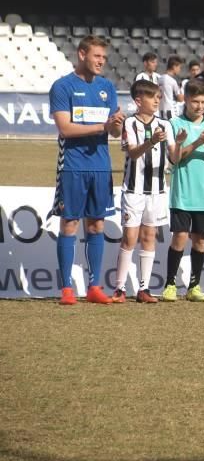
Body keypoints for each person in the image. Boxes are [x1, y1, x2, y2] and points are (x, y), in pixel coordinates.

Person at [50, 35, 125, 305]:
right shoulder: (62, 87)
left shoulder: (107, 87)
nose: (101, 62)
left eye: (104, 58)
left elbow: (115, 132)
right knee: (69, 223)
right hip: (73, 166)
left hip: (101, 167)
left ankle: (94, 287)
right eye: (97, 56)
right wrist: (103, 126)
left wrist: (116, 124)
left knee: (97, 224)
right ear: (82, 54)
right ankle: (67, 289)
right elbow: (65, 129)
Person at [112, 80, 180, 303]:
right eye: (153, 98)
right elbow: (132, 153)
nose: (157, 101)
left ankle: (144, 289)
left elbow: (174, 158)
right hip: (134, 190)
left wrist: (178, 145)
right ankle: (120, 289)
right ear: (138, 101)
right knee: (130, 237)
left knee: (149, 236)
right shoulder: (130, 123)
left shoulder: (166, 124)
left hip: (158, 190)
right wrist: (151, 141)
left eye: (159, 98)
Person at [162, 79, 204, 302]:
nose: (199, 106)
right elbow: (175, 159)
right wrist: (195, 141)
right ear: (185, 100)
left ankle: (194, 286)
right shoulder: (174, 123)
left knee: (200, 240)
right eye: (195, 101)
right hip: (182, 194)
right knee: (179, 237)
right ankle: (170, 284)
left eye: (203, 101)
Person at [158, 55, 184, 119]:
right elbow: (180, 99)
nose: (179, 70)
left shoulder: (159, 79)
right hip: (170, 111)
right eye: (179, 67)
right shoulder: (172, 81)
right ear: (174, 67)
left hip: (161, 110)